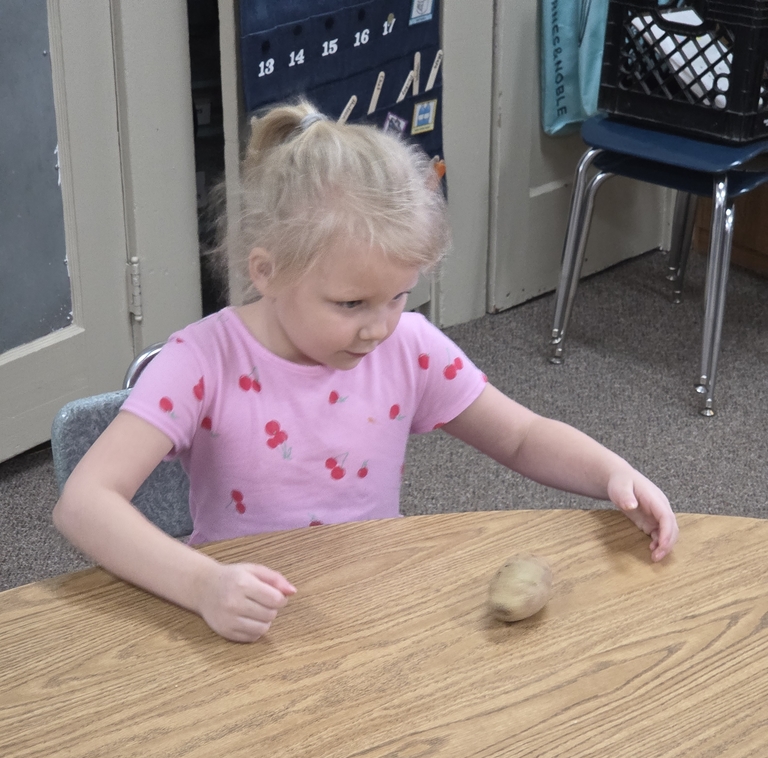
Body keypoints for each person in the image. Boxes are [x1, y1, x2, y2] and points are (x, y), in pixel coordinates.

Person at [53, 101, 679, 643]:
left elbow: (520, 436)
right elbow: (84, 504)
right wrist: (202, 584)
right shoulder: (199, 361)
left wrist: (611, 473)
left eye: (399, 295)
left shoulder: (409, 346)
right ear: (267, 271)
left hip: (374, 607)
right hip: (246, 620)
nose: (378, 328)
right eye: (351, 304)